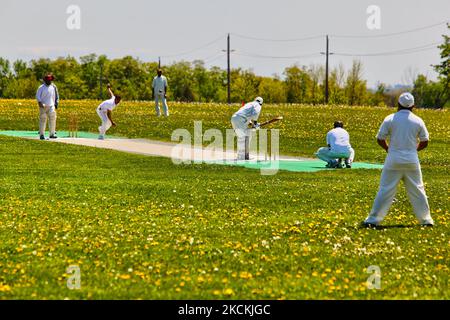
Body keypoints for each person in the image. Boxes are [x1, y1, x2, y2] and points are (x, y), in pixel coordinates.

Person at [363, 92, 434, 227]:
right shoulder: (418, 120)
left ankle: (373, 220)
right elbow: (425, 141)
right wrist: (414, 150)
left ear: (398, 104)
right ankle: (426, 220)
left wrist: (388, 149)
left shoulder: (390, 119)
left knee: (385, 189)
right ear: (413, 106)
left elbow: (380, 138)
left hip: (393, 159)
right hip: (412, 160)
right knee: (418, 190)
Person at [36, 73, 59, 140]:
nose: (49, 81)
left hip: (51, 105)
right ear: (45, 80)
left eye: (50, 80)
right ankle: (42, 135)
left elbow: (54, 96)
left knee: (53, 119)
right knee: (43, 120)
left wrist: (55, 103)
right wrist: (40, 102)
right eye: (48, 80)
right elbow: (37, 96)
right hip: (43, 106)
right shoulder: (41, 87)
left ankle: (52, 134)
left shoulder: (53, 87)